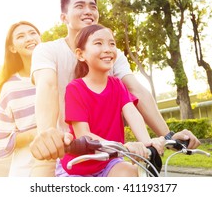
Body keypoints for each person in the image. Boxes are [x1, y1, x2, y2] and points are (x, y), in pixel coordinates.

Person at [29, 0, 200, 175]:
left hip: (109, 155)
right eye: (79, 6)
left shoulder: (113, 56)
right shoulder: (48, 50)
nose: (88, 11)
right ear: (64, 17)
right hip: (63, 148)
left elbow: (136, 91)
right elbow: (48, 87)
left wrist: (166, 137)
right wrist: (47, 136)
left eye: (93, 6)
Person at [56, 24, 164, 177]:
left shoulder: (118, 85)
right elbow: (83, 134)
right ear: (80, 54)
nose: (107, 49)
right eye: (98, 43)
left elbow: (132, 114)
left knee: (135, 176)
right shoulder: (75, 88)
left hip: (109, 162)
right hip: (78, 166)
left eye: (112, 43)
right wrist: (123, 147)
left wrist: (147, 143)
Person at [0, 21, 42, 176]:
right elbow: (3, 140)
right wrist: (37, 132)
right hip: (26, 170)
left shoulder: (59, 73)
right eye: (21, 36)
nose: (29, 38)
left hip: (64, 168)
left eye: (33, 33)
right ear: (12, 48)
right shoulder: (9, 88)